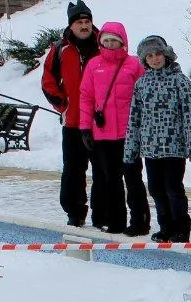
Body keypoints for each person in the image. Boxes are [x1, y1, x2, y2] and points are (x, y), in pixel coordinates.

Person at [123, 35, 191, 242]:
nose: (155, 59)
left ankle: (181, 227)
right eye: (150, 56)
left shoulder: (179, 81)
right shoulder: (141, 84)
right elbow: (135, 118)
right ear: (144, 59)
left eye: (158, 54)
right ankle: (165, 226)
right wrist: (131, 149)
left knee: (173, 189)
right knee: (156, 189)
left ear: (165, 54)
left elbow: (190, 116)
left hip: (174, 147)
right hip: (150, 149)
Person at [79, 21, 149, 236]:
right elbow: (86, 97)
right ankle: (116, 221)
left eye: (114, 40)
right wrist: (85, 127)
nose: (110, 44)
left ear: (122, 42)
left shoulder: (134, 65)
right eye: (106, 40)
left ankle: (140, 222)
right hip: (103, 133)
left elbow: (144, 97)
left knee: (133, 178)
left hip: (129, 133)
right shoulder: (93, 65)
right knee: (111, 179)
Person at [42, 1, 100, 227]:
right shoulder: (60, 49)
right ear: (71, 25)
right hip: (74, 121)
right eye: (79, 22)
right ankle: (74, 212)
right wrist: (63, 105)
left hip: (100, 123)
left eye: (87, 21)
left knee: (103, 171)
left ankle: (101, 212)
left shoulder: (103, 45)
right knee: (73, 171)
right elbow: (48, 81)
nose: (84, 26)